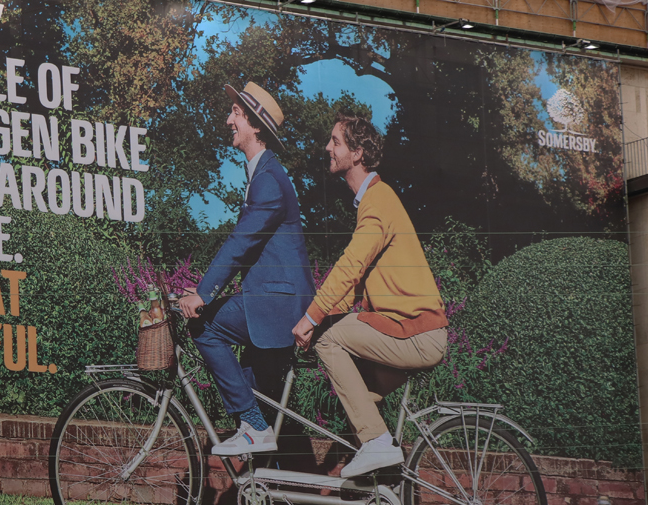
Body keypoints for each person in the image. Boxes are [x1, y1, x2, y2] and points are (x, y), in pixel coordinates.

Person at [292, 114, 448, 484]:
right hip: (407, 330)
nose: (328, 148)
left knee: (328, 339)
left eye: (336, 142)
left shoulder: (377, 200)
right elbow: (357, 281)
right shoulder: (374, 200)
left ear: (357, 153)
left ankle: (378, 443)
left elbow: (350, 266)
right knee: (359, 404)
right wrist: (330, 310)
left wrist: (310, 319)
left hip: (416, 333)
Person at [178, 82, 315, 476]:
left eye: (235, 113)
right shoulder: (264, 175)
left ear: (255, 125)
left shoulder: (269, 179)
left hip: (278, 306)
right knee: (260, 398)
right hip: (272, 303)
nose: (228, 120)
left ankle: (252, 427)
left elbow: (240, 244)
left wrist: (203, 294)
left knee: (203, 326)